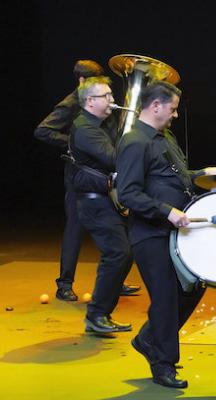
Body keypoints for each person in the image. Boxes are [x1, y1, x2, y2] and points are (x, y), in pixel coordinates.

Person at [117, 80, 216, 388]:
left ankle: (148, 338)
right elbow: (127, 194)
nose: (175, 115)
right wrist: (166, 211)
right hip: (150, 234)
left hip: (175, 233)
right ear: (155, 106)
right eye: (173, 109)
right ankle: (163, 362)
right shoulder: (134, 142)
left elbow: (175, 179)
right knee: (165, 298)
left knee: (194, 286)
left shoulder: (165, 138)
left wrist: (203, 174)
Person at [34, 60, 140, 301]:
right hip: (81, 174)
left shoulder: (102, 102)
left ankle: (114, 280)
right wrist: (76, 144)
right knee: (75, 227)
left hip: (103, 172)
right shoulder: (73, 102)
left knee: (114, 226)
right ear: (82, 82)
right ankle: (64, 284)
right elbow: (43, 130)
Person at [69, 76, 133, 334]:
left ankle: (99, 314)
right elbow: (114, 158)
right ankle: (96, 315)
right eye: (106, 96)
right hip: (94, 204)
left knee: (122, 254)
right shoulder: (85, 128)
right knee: (118, 253)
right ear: (90, 101)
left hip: (104, 201)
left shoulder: (101, 124)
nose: (112, 100)